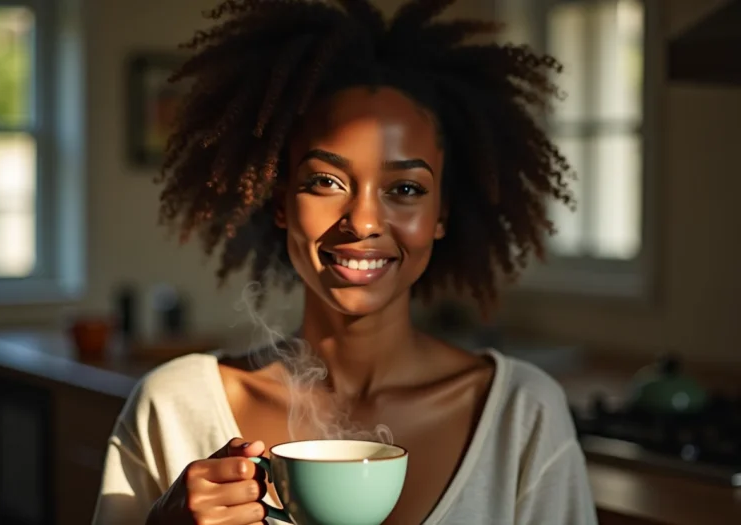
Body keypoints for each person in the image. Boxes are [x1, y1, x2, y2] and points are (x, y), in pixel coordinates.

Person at [92, 0, 597, 523]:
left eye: (405, 188)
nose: (363, 222)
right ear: (281, 203)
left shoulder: (523, 414)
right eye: (325, 182)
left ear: (441, 214)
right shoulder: (173, 407)